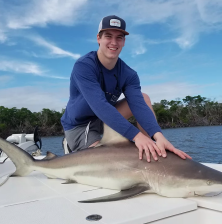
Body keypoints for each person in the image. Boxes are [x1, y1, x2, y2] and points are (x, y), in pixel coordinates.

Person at [61, 15, 191, 162]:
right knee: (105, 162)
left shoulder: (129, 74)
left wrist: (158, 136)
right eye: (108, 36)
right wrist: (136, 136)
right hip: (80, 125)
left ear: (124, 41)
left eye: (119, 38)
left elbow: (138, 105)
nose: (114, 42)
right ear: (99, 38)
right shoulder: (84, 66)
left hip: (108, 119)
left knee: (144, 98)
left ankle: (151, 150)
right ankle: (70, 145)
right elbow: (100, 106)